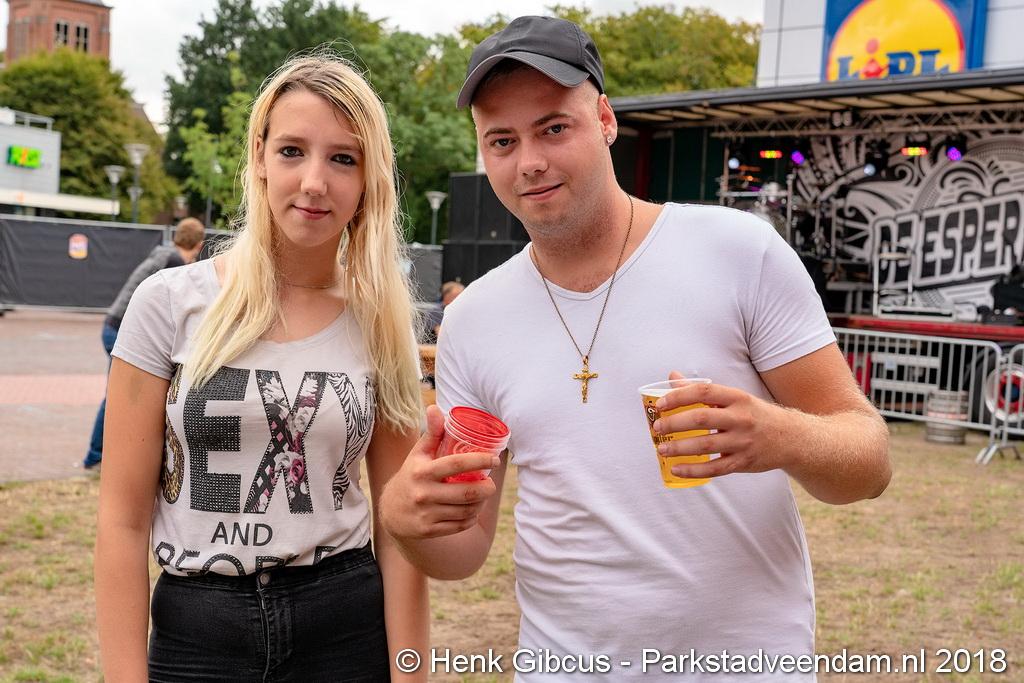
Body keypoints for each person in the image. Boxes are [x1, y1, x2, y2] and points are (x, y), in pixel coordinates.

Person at [380, 16, 891, 681]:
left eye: (553, 128)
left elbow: (869, 460)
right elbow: (466, 551)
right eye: (502, 140)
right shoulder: (474, 319)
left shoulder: (737, 252)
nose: (528, 161)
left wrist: (780, 436)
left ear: (604, 119)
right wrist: (406, 522)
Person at [95, 52, 428, 681]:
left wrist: (410, 672)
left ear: (369, 180)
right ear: (259, 158)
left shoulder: (382, 323)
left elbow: (399, 529)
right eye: (292, 151)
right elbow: (121, 521)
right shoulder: (168, 303)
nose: (314, 182)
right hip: (197, 634)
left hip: (344, 628)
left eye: (343, 158)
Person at [81, 217, 205, 470]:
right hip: (123, 331)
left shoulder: (164, 254)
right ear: (199, 243)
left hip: (114, 326)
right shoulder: (174, 262)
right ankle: (98, 457)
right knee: (123, 398)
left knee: (120, 396)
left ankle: (97, 456)